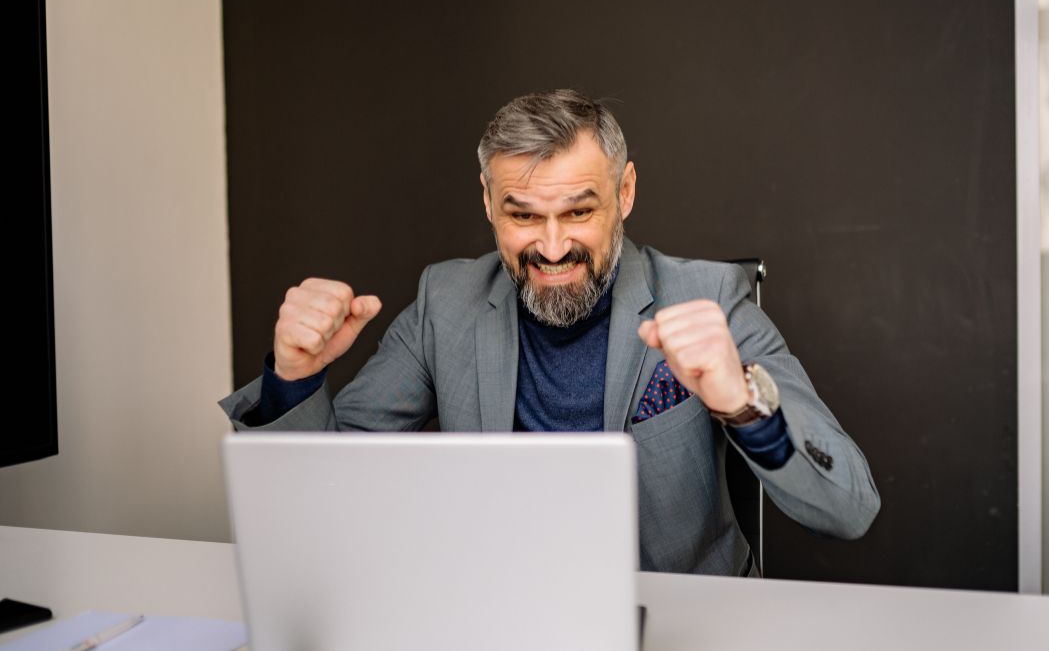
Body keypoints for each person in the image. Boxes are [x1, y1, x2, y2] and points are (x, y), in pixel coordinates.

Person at [218, 89, 880, 577]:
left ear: (624, 194)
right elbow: (320, 502)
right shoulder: (444, 302)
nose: (554, 245)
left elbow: (849, 505)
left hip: (677, 621)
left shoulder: (710, 296)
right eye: (523, 215)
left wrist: (741, 402)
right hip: (498, 612)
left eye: (579, 210)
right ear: (487, 202)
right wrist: (294, 375)